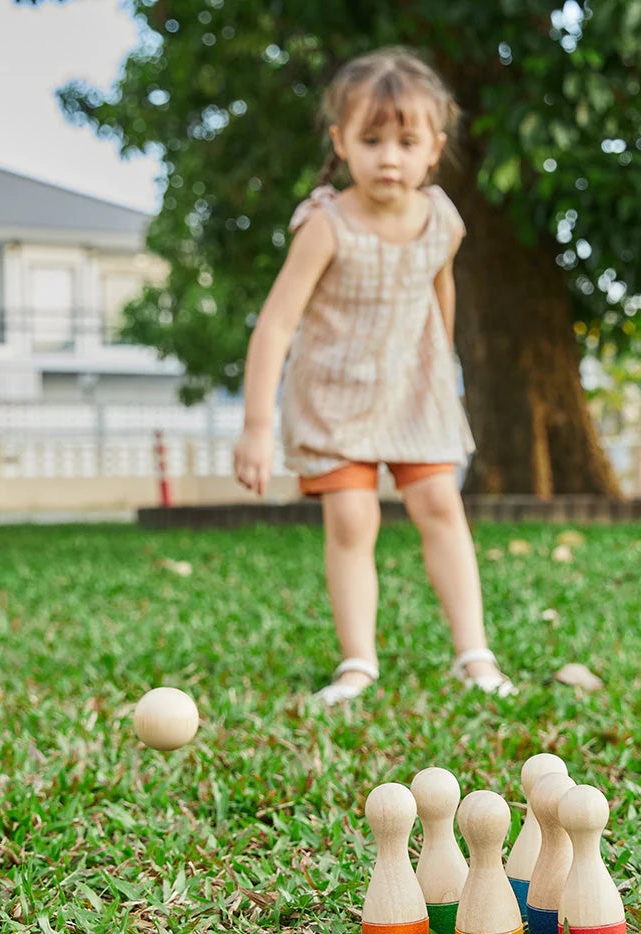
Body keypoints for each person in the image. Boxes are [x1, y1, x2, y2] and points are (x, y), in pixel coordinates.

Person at [233, 47, 515, 704]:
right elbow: (275, 325)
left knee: (441, 506)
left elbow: (439, 291)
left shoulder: (441, 219)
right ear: (341, 143)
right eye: (371, 139)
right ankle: (358, 661)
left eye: (406, 141)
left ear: (432, 150)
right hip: (334, 394)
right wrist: (254, 427)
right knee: (353, 519)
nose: (389, 156)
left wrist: (442, 368)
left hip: (415, 387)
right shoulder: (326, 226)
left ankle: (474, 654)